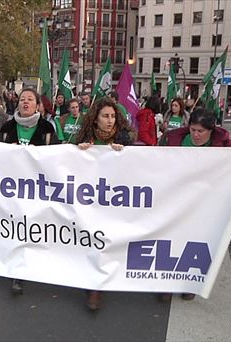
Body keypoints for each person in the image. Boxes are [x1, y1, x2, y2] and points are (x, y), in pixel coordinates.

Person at [161, 108, 231, 301]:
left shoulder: (226, 146)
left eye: (201, 131)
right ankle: (168, 282)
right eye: (193, 130)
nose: (196, 135)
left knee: (195, 243)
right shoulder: (172, 139)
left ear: (211, 130)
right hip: (177, 201)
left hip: (206, 206)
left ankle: (189, 282)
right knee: (172, 240)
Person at [76, 97, 135, 310]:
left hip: (116, 202)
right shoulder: (84, 139)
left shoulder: (125, 140)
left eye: (112, 116)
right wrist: (77, 153)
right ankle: (95, 287)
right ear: (95, 120)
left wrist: (125, 154)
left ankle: (98, 285)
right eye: (105, 116)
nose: (110, 121)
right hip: (89, 201)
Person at [0, 88, 56, 294]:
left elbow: (55, 157)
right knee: (15, 228)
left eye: (30, 99)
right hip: (11, 186)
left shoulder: (47, 128)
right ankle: (17, 270)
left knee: (30, 228)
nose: (25, 102)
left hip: (35, 187)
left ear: (37, 105)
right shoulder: (7, 127)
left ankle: (25, 268)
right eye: (22, 99)